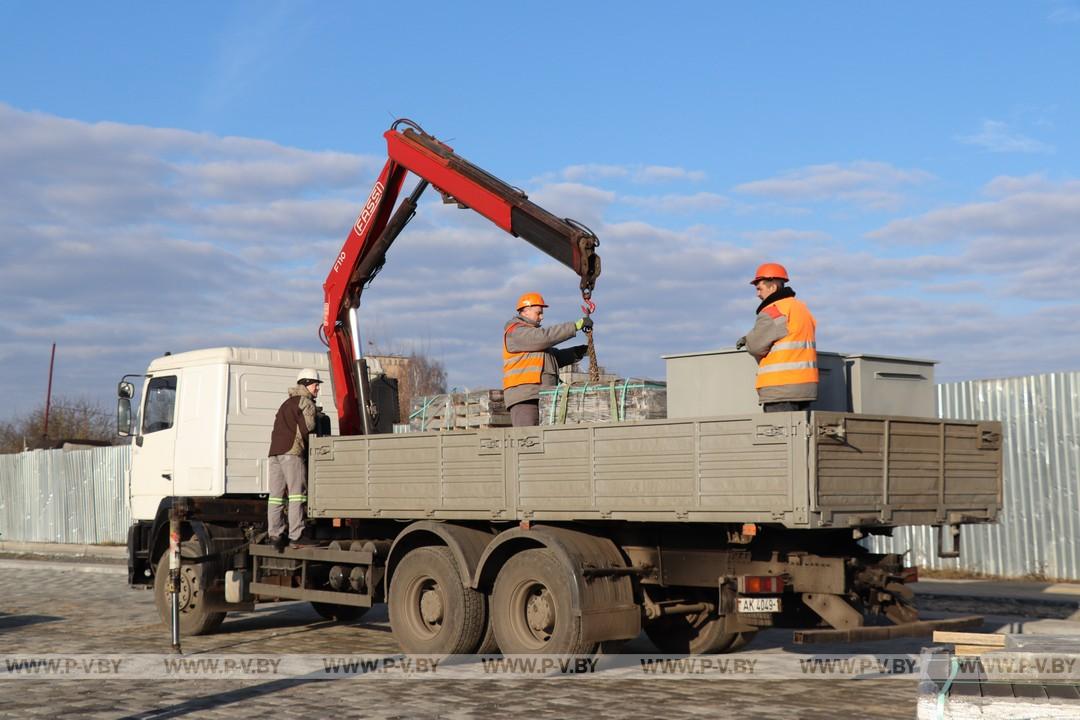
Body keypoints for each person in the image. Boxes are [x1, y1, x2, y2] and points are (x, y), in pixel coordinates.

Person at [736, 263, 818, 413]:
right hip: (805, 387)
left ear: (772, 287)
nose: (757, 294)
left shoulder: (774, 311)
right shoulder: (801, 308)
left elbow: (755, 346)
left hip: (781, 388)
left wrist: (747, 340)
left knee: (780, 435)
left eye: (759, 288)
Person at [503, 292, 592, 426]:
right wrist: (575, 326)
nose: (542, 317)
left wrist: (579, 351)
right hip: (525, 398)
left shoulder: (533, 338)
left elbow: (552, 359)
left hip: (542, 395)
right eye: (538, 313)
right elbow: (544, 337)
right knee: (528, 440)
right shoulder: (516, 332)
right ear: (525, 311)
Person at [267, 368, 322, 549]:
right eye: (316, 385)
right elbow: (308, 428)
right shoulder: (305, 402)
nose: (317, 389)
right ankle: (297, 536)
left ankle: (275, 534)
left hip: (275, 453)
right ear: (306, 384)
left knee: (276, 497)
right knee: (297, 494)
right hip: (292, 453)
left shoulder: (286, 403)